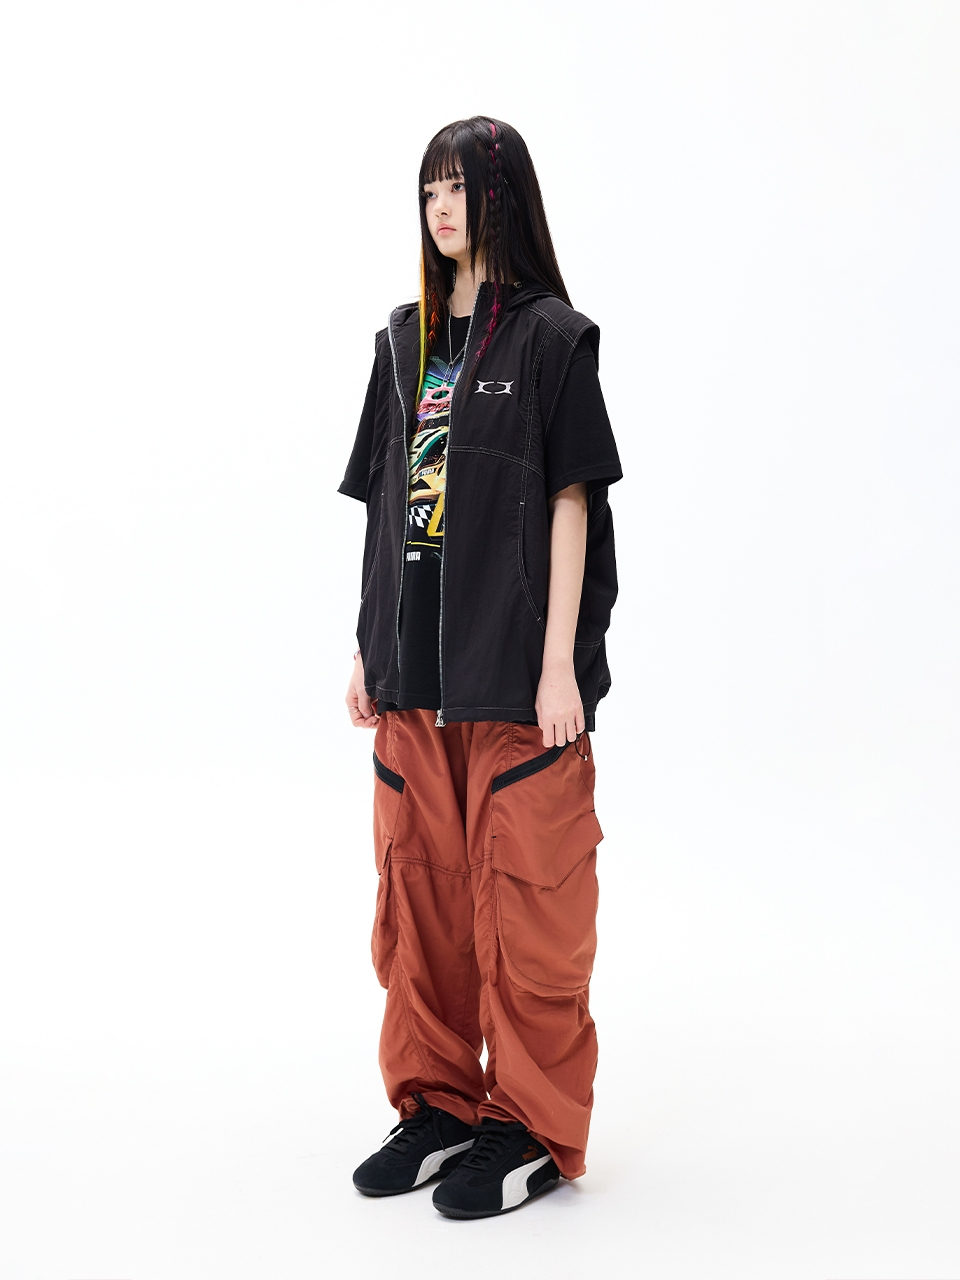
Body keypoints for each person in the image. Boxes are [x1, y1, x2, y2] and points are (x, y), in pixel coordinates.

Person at [338, 116, 622, 1219]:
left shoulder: (553, 339)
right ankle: (440, 1105)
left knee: (529, 904)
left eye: (460, 187)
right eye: (429, 190)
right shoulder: (402, 341)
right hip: (414, 675)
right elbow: (384, 509)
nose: (442, 207)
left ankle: (531, 1125)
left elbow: (572, 504)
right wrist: (366, 643)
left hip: (514, 678)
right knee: (421, 898)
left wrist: (560, 666)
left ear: (504, 199)